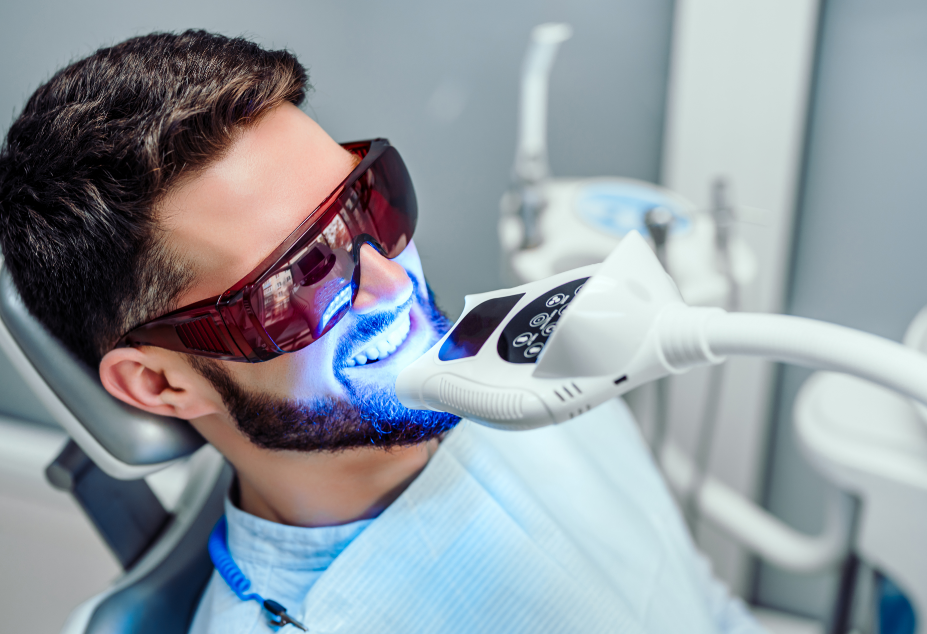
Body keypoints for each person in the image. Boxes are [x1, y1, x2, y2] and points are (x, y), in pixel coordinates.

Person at [0, 30, 765, 634]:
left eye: (369, 205)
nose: (394, 285)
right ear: (162, 382)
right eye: (294, 278)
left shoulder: (541, 362)